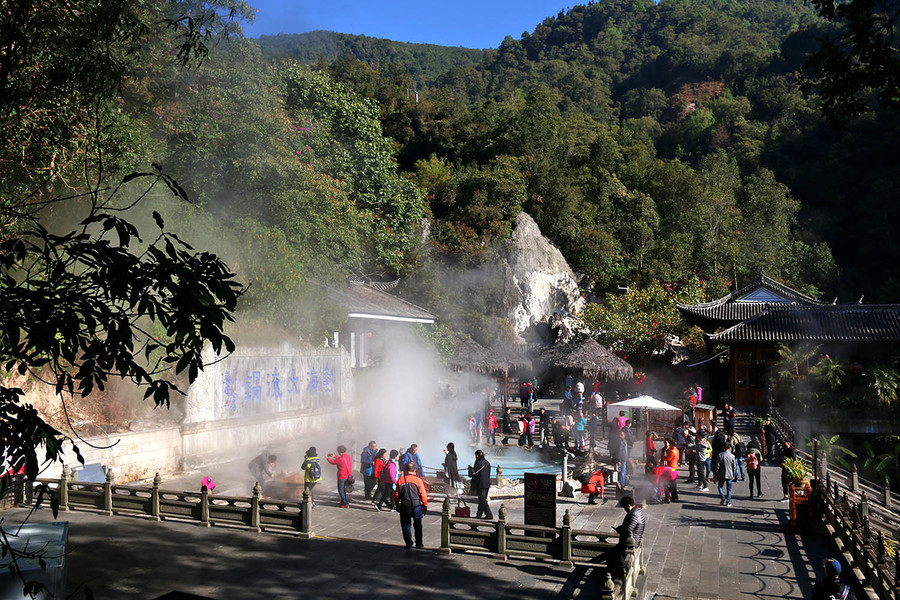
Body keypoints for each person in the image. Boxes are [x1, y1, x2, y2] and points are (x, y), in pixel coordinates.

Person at [396, 462, 428, 550]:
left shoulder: (401, 480)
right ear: (414, 470)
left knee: (406, 525)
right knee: (418, 525)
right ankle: (419, 543)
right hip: (416, 505)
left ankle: (408, 543)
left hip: (405, 505)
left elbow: (397, 494)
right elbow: (423, 494)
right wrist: (425, 505)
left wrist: (396, 504)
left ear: (406, 470)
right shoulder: (418, 480)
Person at [470, 449, 493, 520]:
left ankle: (489, 515)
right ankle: (479, 514)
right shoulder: (487, 462)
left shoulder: (478, 462)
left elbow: (474, 473)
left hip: (480, 484)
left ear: (477, 456)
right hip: (487, 484)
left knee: (483, 500)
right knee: (481, 500)